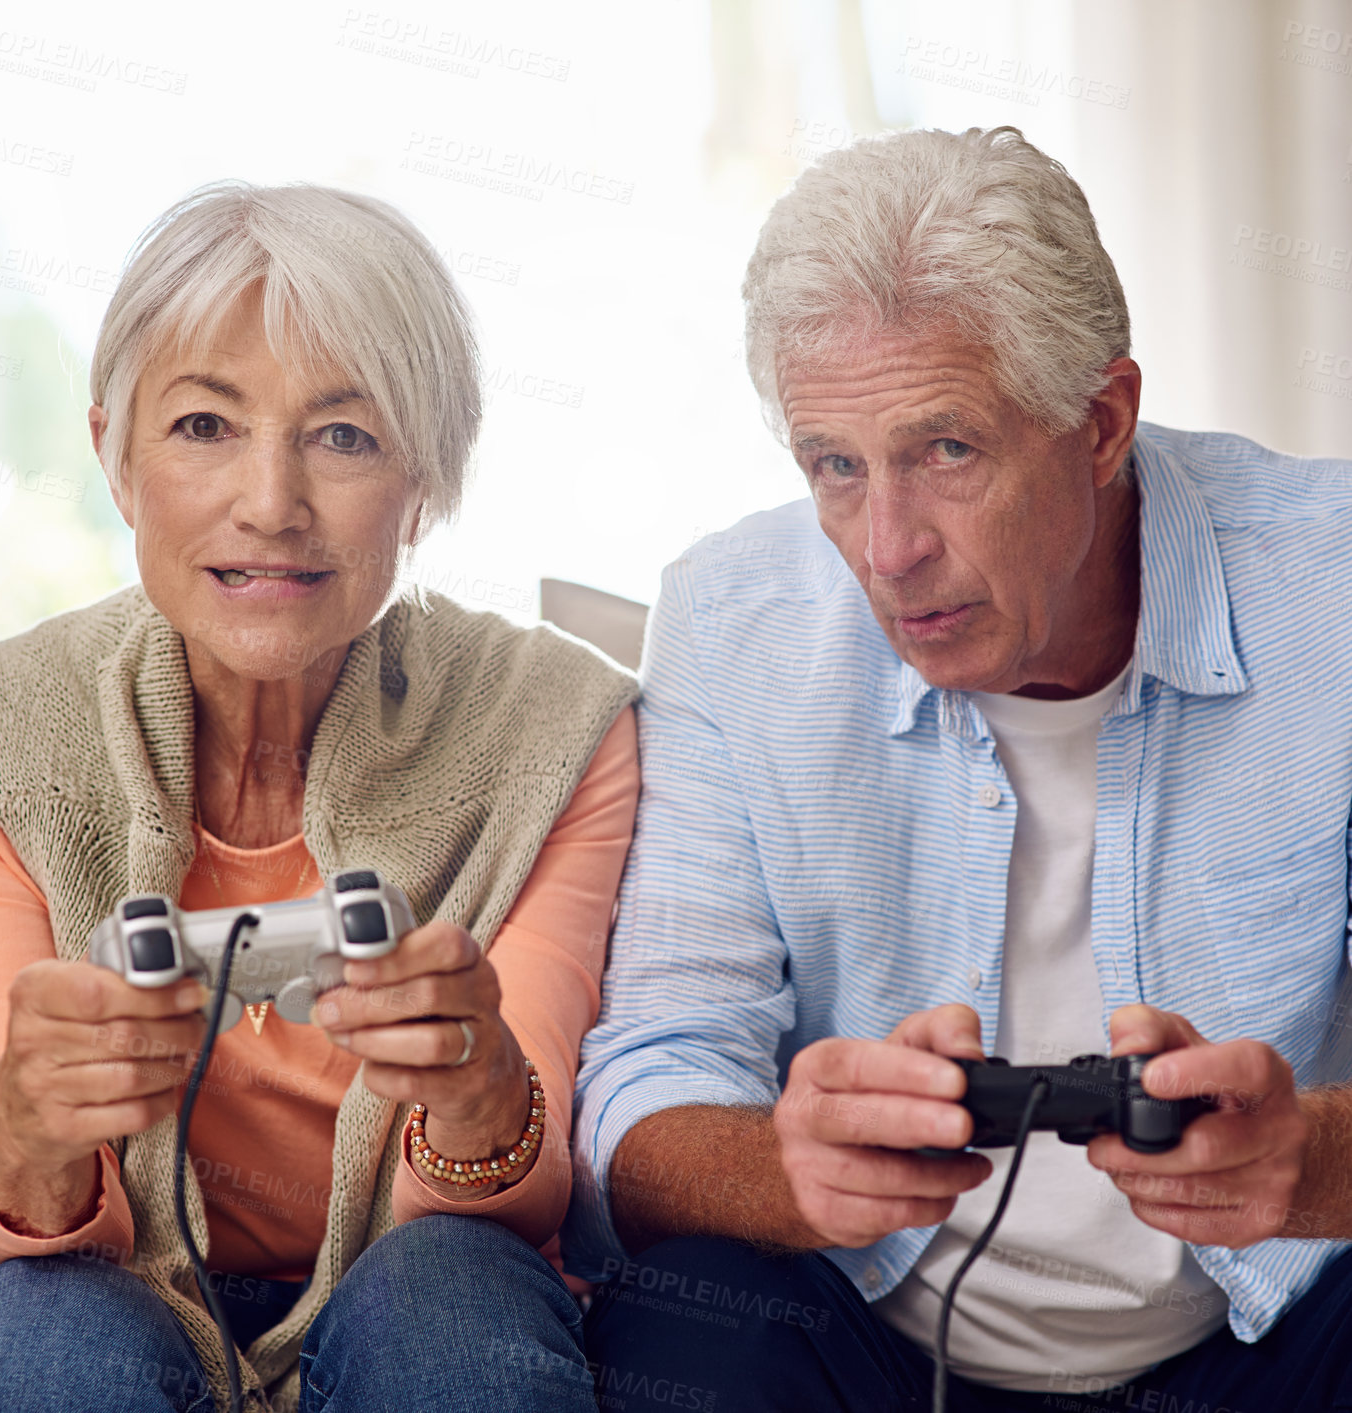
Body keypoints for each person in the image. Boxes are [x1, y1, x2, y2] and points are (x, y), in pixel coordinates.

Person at [564, 125, 1352, 1412]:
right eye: (834, 466)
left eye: (946, 451)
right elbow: (657, 1067)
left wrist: (1308, 1162)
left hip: (1277, 1341)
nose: (885, 548)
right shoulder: (729, 614)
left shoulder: (1332, 583)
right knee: (680, 1326)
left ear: (1100, 423)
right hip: (876, 1340)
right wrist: (783, 1170)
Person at [0, 181, 638, 1412]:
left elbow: (518, 1203)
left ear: (425, 484)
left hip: (427, 1277)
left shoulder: (557, 729)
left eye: (344, 436)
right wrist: (29, 1131)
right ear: (115, 455)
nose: (271, 502)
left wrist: (478, 1084)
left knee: (452, 1303)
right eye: (205, 427)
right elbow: (7, 1233)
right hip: (88, 1286)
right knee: (41, 1338)